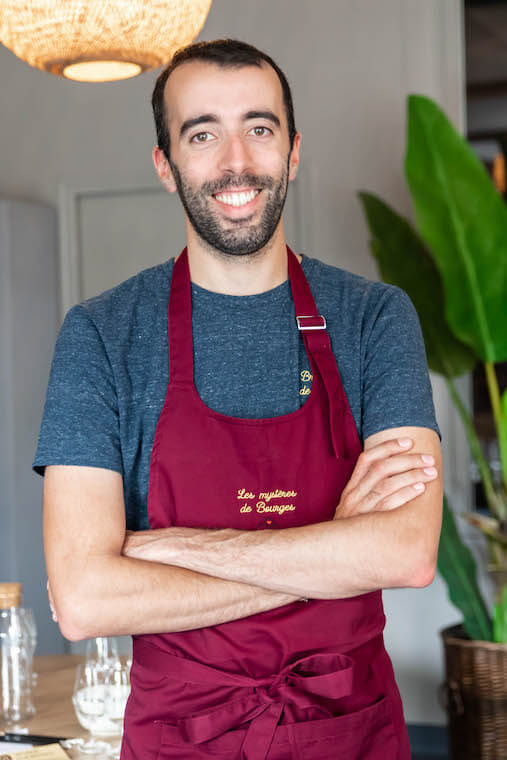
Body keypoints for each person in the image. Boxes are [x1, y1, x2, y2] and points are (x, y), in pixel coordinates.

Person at [35, 39, 442, 759]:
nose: (235, 162)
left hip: (350, 735)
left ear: (290, 151)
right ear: (165, 165)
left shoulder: (374, 318)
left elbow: (405, 553)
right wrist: (335, 548)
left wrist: (179, 552)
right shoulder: (102, 335)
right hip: (179, 742)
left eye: (259, 128)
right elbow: (85, 600)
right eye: (202, 134)